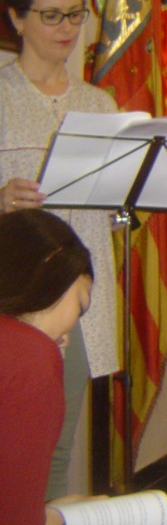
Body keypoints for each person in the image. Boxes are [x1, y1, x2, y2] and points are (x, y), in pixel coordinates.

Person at [1, 0, 119, 498]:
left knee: (57, 446)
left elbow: (112, 213)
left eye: (75, 14)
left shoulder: (100, 104)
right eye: (51, 16)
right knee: (14, 448)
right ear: (16, 18)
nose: (66, 28)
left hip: (78, 299)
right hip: (15, 297)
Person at [0, 209, 95, 525]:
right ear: (54, 266)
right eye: (81, 303)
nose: (68, 335)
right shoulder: (31, 357)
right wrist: (56, 518)